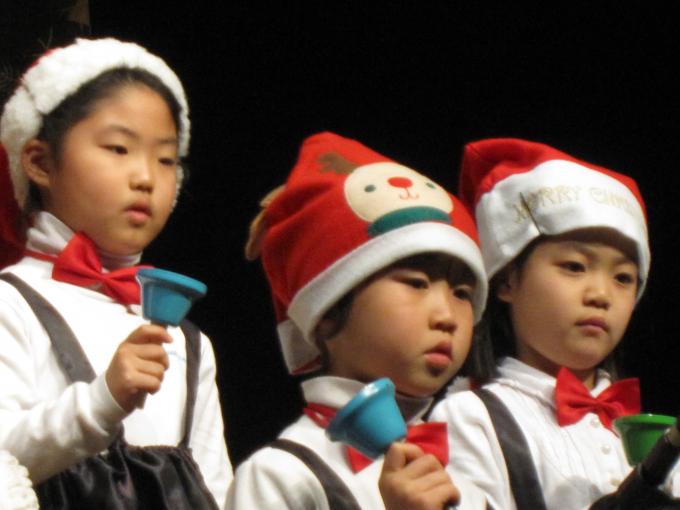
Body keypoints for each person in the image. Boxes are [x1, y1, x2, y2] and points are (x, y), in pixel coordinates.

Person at [0, 38, 231, 508]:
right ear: (40, 162)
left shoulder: (188, 342)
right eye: (119, 148)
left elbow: (216, 490)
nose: (145, 177)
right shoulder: (10, 304)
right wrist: (102, 400)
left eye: (166, 160)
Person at [227, 131, 489, 509]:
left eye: (462, 293)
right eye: (416, 283)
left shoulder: (466, 470)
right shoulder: (283, 474)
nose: (447, 316)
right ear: (328, 311)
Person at [430, 137, 678, 509]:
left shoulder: (648, 430)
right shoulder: (473, 418)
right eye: (574, 267)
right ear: (507, 280)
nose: (601, 294)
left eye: (624, 278)